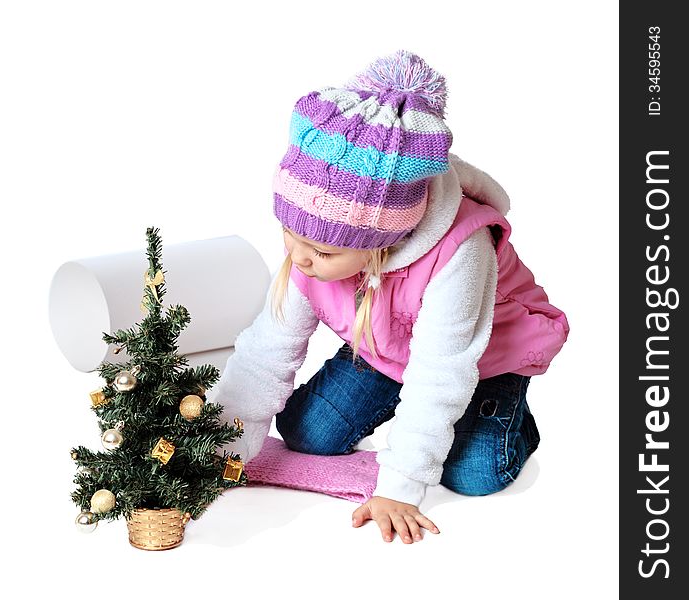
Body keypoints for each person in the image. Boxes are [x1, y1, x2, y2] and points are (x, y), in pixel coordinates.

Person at [214, 50, 569, 544]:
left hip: (482, 359)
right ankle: (397, 399)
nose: (300, 257)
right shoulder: (313, 246)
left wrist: (402, 486)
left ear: (380, 241)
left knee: (474, 475)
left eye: (320, 249)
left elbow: (442, 370)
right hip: (386, 348)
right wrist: (223, 440)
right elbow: (266, 350)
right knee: (305, 434)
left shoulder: (461, 252)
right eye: (288, 234)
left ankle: (507, 411)